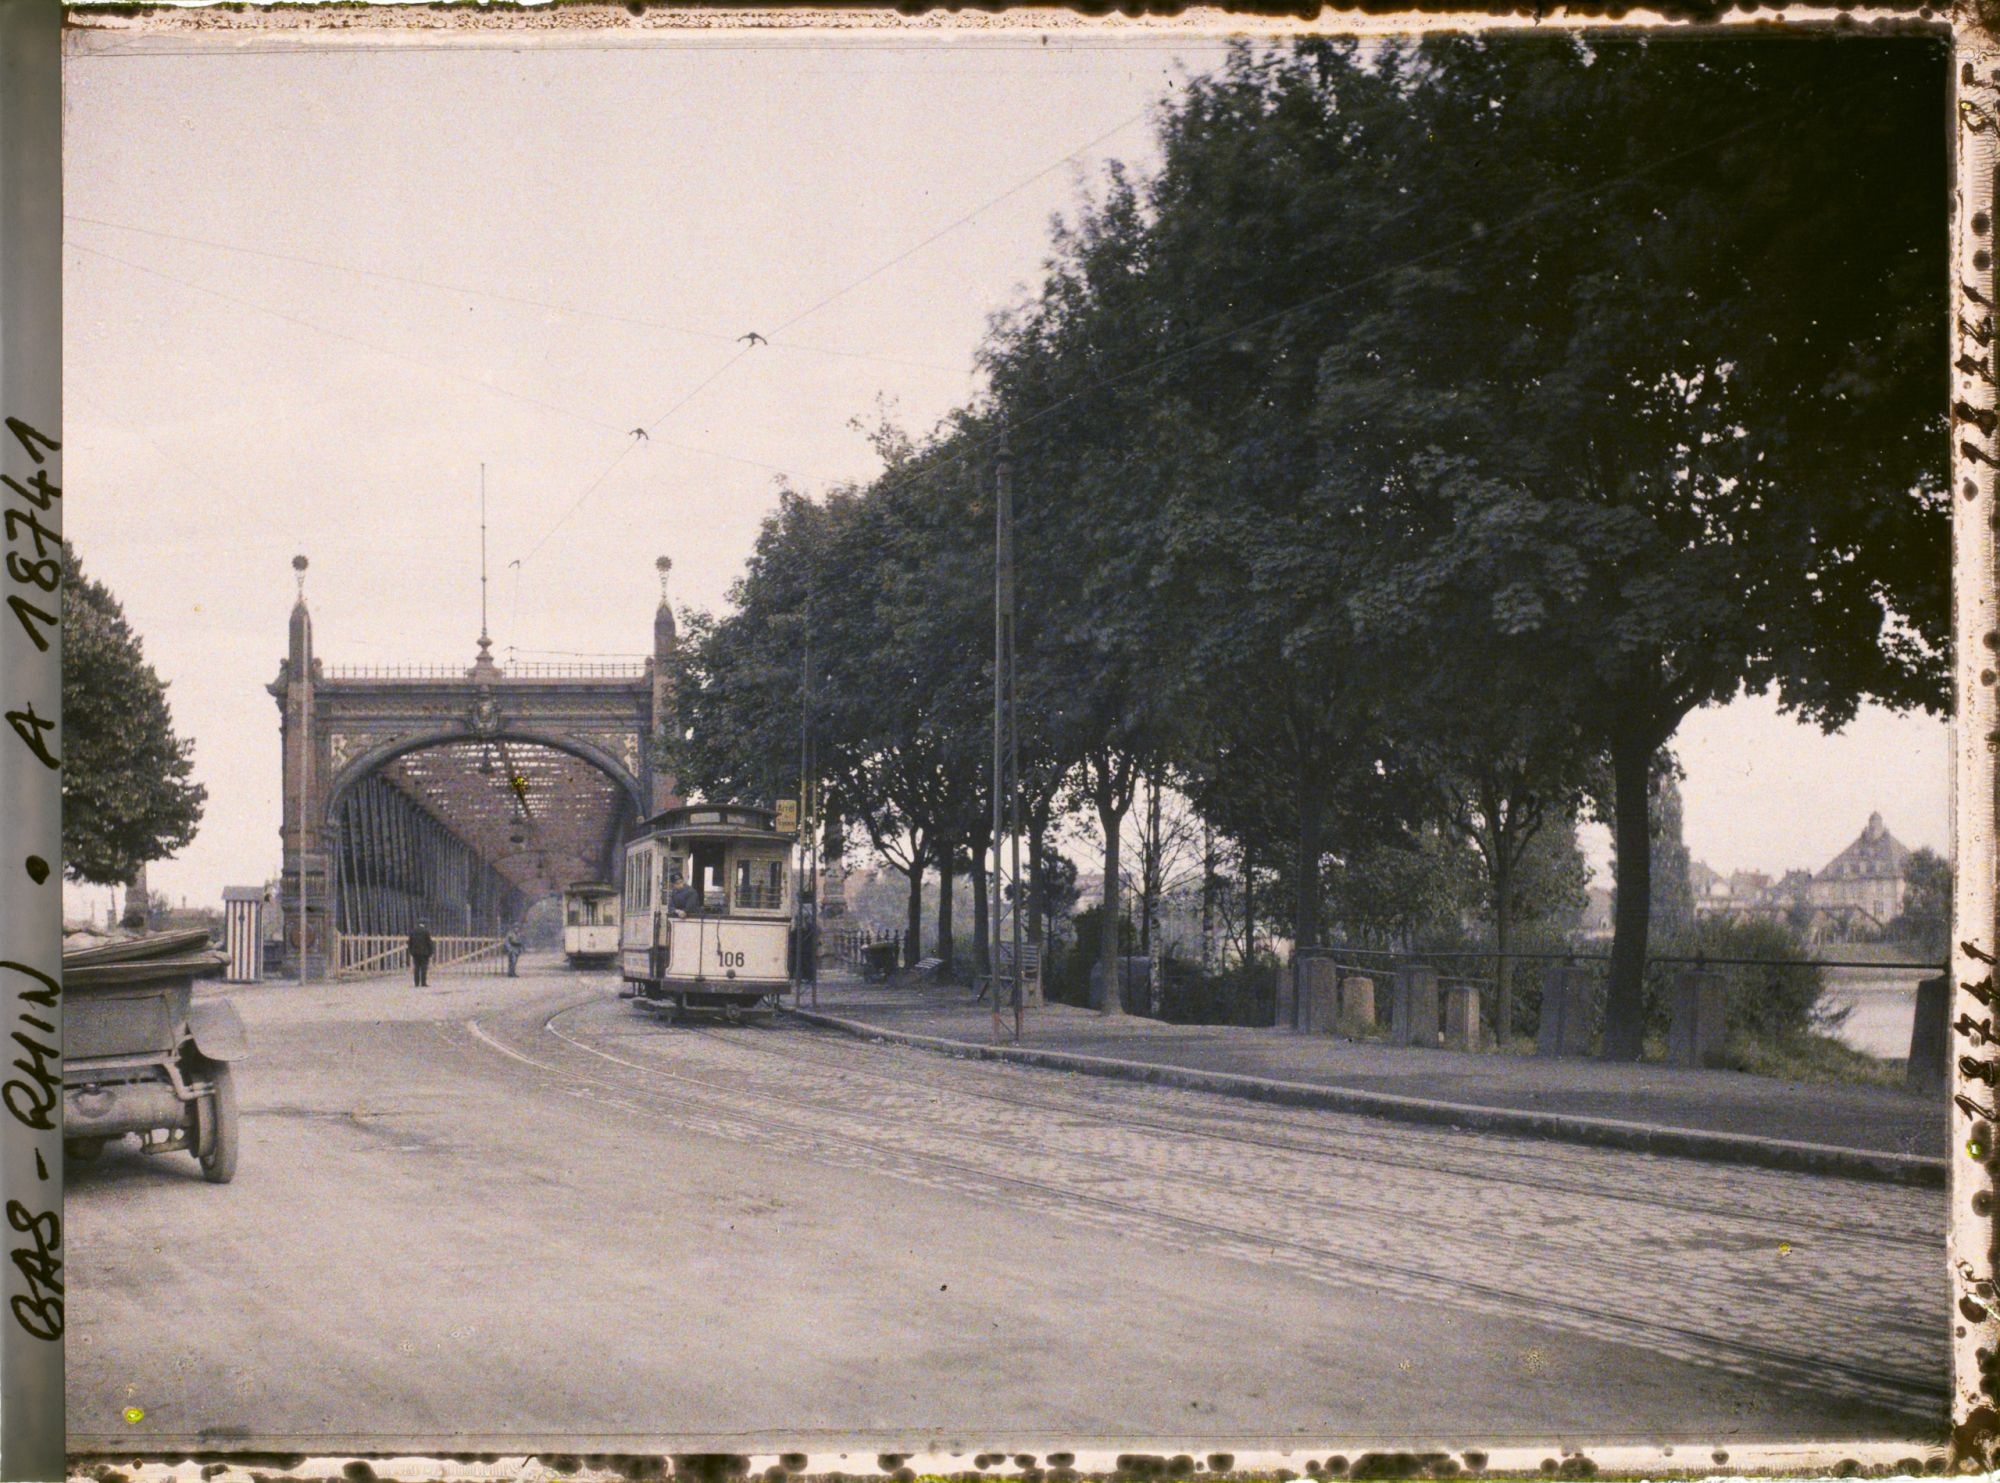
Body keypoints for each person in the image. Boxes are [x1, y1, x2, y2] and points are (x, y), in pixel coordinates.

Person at [408, 921, 435, 986]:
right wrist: (431, 952)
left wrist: (411, 951)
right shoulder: (426, 931)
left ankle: (416, 983)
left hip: (415, 953)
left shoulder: (413, 931)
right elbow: (429, 943)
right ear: (424, 924)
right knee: (424, 968)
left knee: (416, 968)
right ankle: (423, 982)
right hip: (424, 953)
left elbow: (410, 942)